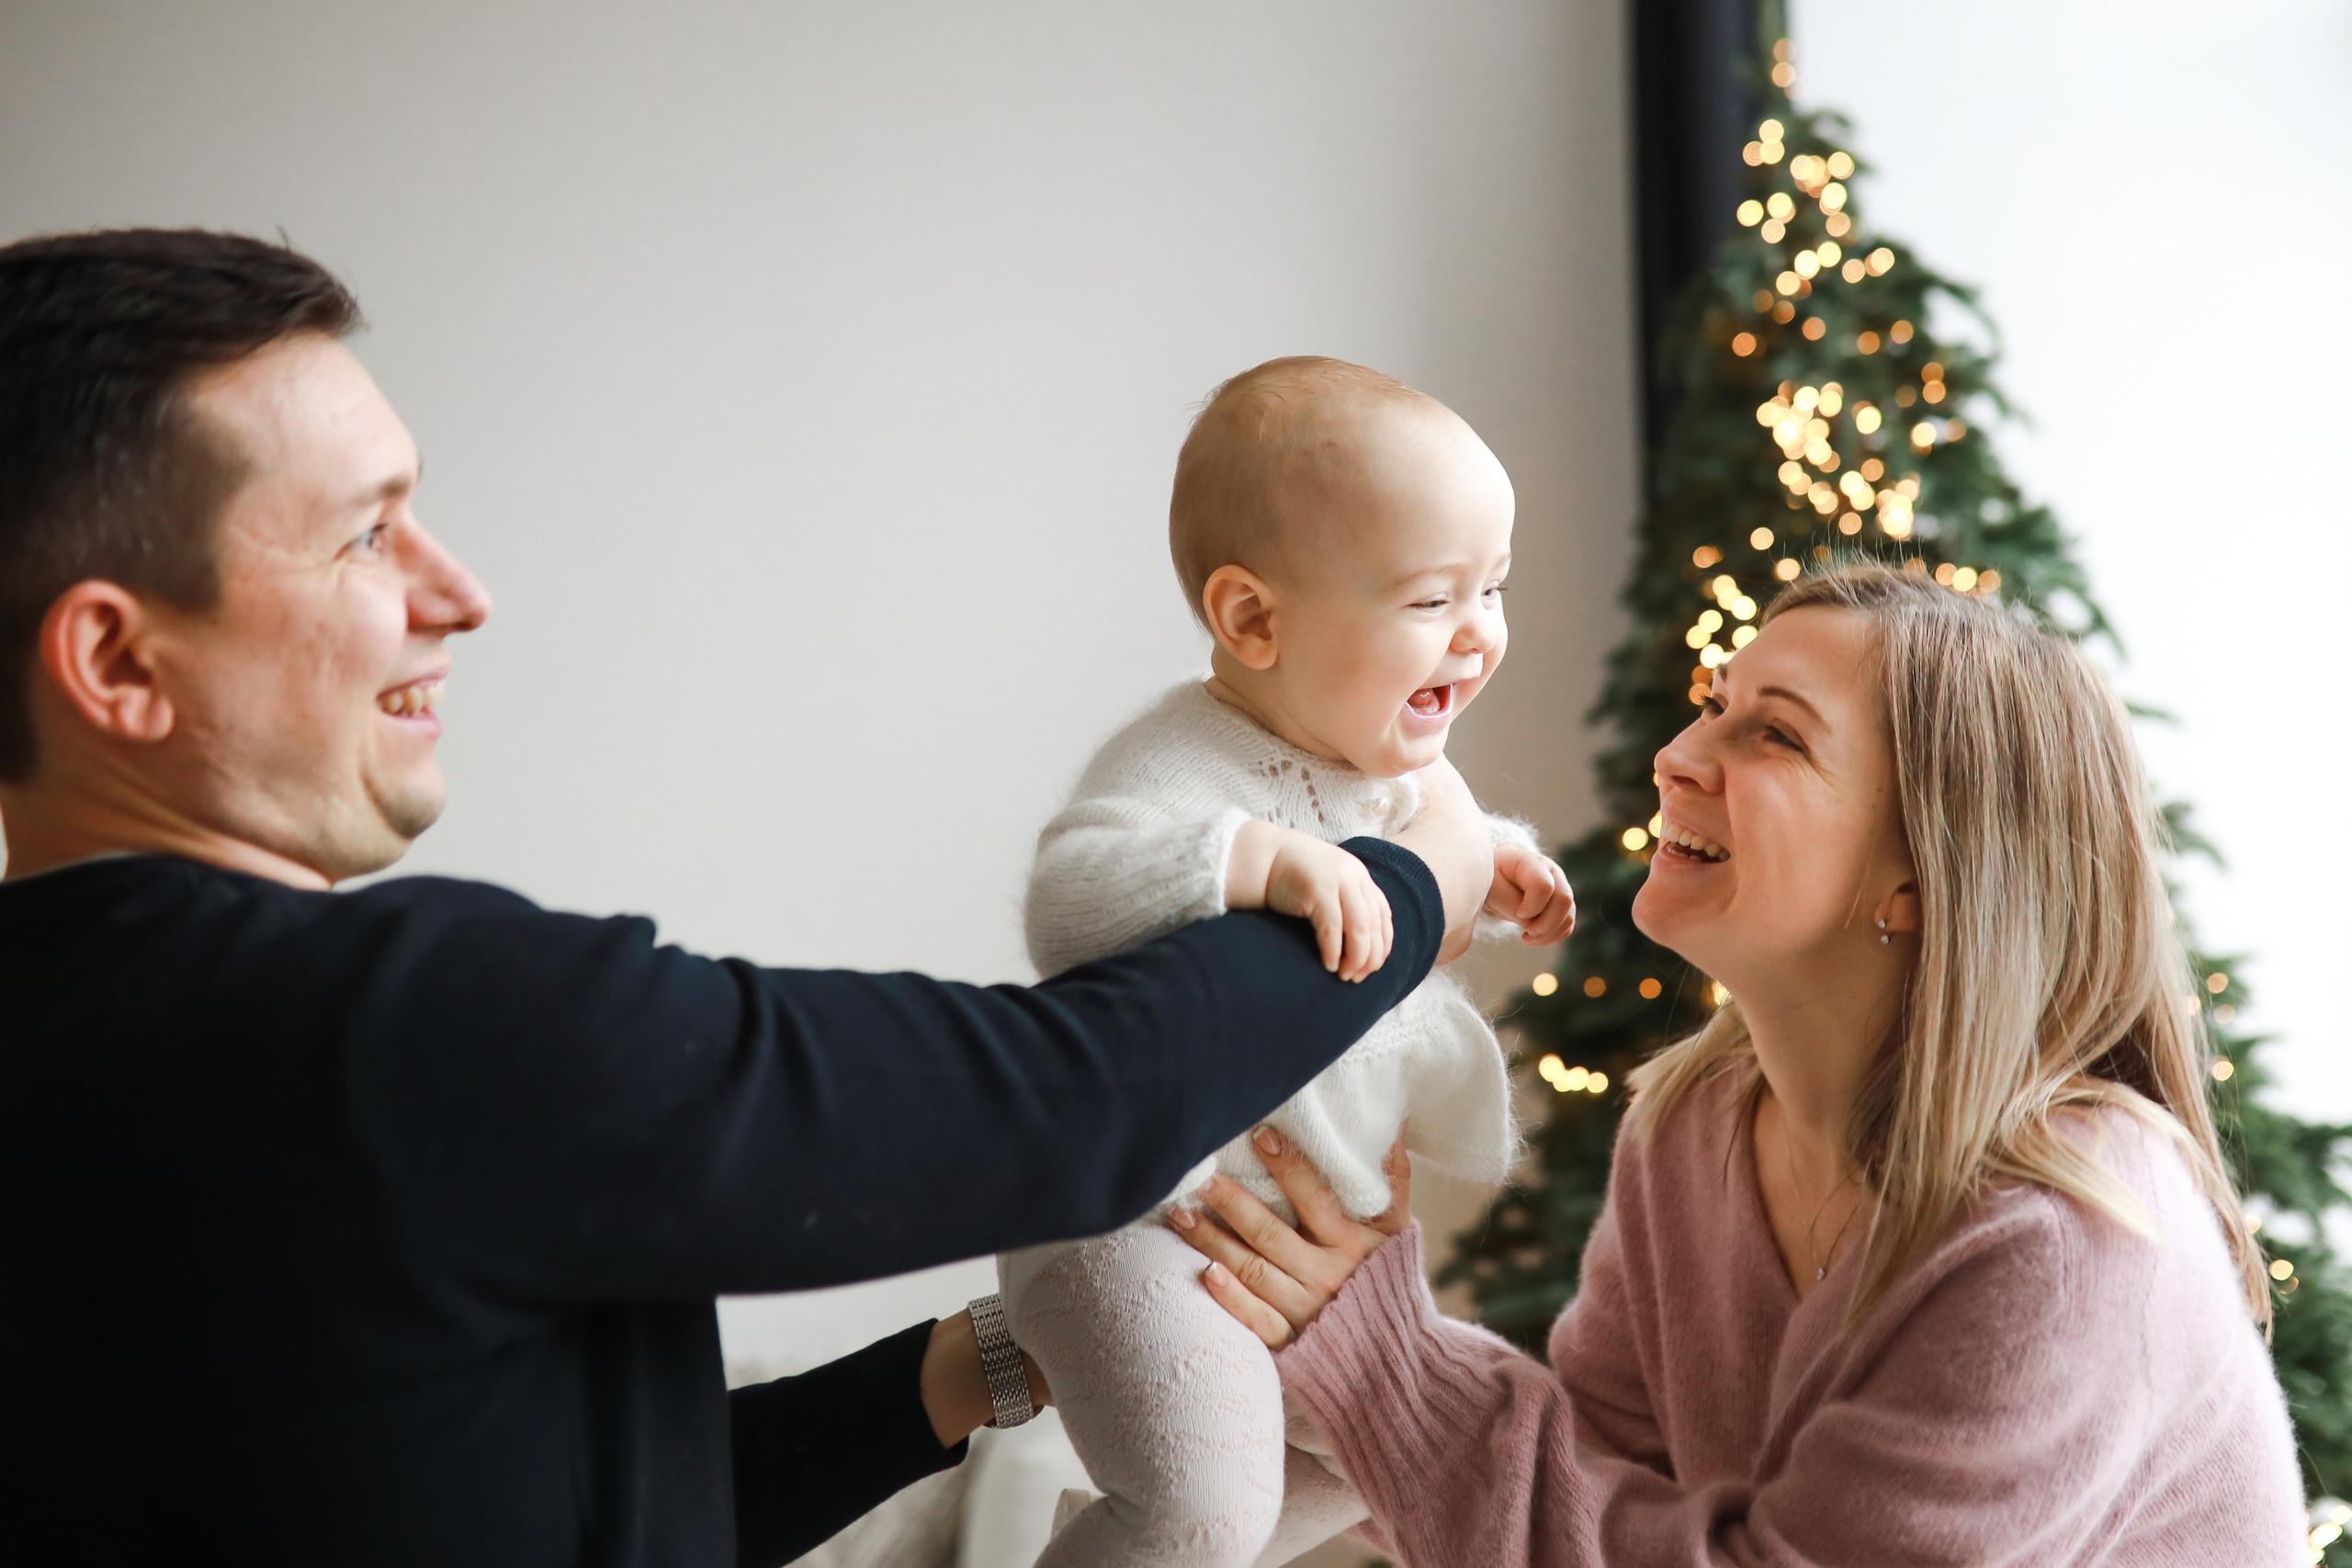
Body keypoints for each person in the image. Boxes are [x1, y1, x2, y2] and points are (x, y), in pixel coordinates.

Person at [0, 229, 1499, 1568]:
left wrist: (983, 1360)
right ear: (119, 664)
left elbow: (599, 1498)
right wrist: (1429, 868)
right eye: (367, 531)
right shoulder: (395, 1027)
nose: (459, 591)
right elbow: (1073, 1102)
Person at [1177, 563, 2309, 1564]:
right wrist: (1311, 1340)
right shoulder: (1696, 1122)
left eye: (1772, 733)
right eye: (1712, 708)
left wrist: (1389, 1368)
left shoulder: (2063, 1234)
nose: (1675, 758)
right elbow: (1597, 1490)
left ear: (1920, 876)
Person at [1001, 357, 1575, 1568]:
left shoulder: (1402, 770)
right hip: (1138, 1218)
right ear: (1253, 619)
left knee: (1392, 1472)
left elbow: (1425, 842)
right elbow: (1068, 890)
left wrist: (1500, 862)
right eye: (1431, 601)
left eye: (1496, 588)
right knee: (1203, 1508)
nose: (1478, 632)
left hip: (1267, 1234)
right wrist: (1250, 859)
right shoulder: (1182, 763)